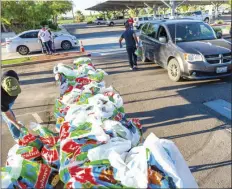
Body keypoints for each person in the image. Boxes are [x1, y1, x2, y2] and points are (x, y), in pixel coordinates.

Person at [1, 70, 24, 140]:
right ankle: (18, 138)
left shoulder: (11, 74)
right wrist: (17, 124)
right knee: (10, 119)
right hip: (4, 103)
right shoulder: (1, 99)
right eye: (12, 93)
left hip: (7, 102)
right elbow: (8, 114)